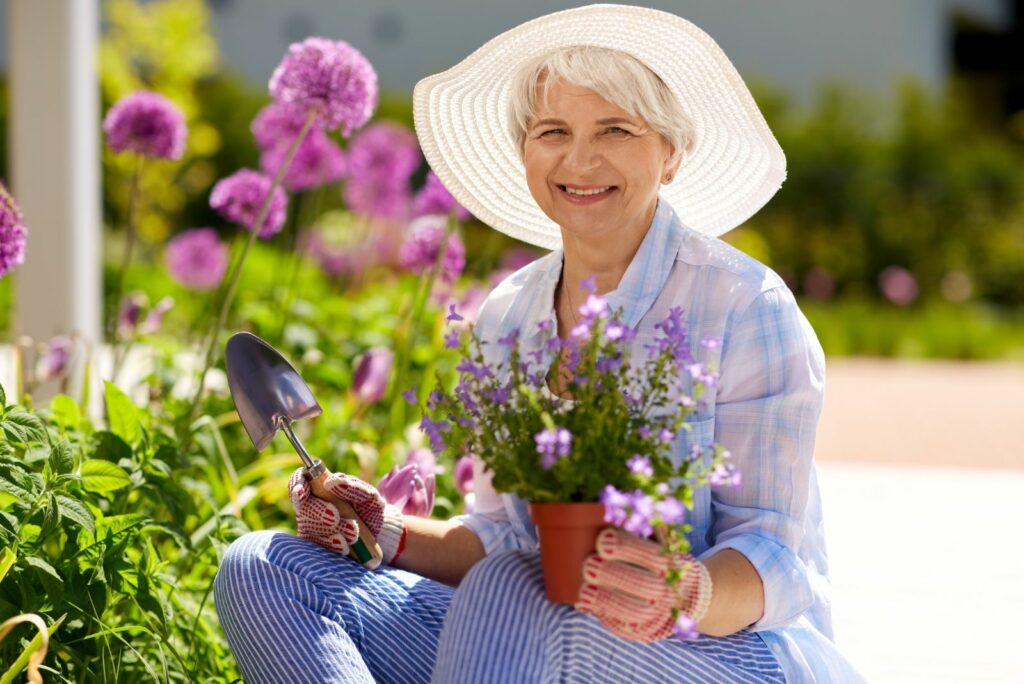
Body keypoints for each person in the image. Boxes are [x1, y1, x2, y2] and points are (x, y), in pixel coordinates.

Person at [215, 5, 865, 682]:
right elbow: (500, 538)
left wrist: (684, 591)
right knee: (264, 568)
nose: (580, 159)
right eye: (552, 131)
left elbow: (775, 556)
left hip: (723, 656)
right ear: (525, 151)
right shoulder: (508, 316)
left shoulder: (742, 305)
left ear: (671, 152)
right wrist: (386, 529)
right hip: (524, 642)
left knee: (514, 592)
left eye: (616, 129)